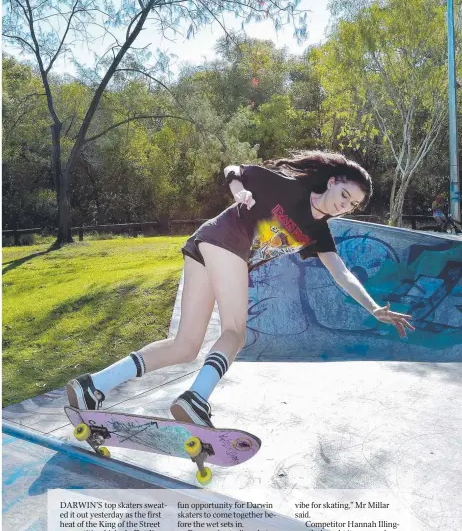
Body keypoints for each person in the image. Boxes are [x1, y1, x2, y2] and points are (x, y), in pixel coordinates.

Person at [66, 151, 414, 426]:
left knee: (185, 346)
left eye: (351, 205)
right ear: (333, 181)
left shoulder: (319, 233)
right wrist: (238, 190)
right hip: (224, 239)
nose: (344, 205)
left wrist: (373, 308)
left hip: (206, 245)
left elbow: (342, 274)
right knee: (235, 332)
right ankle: (196, 398)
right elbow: (235, 169)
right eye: (344, 195)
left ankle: (92, 385)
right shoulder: (288, 187)